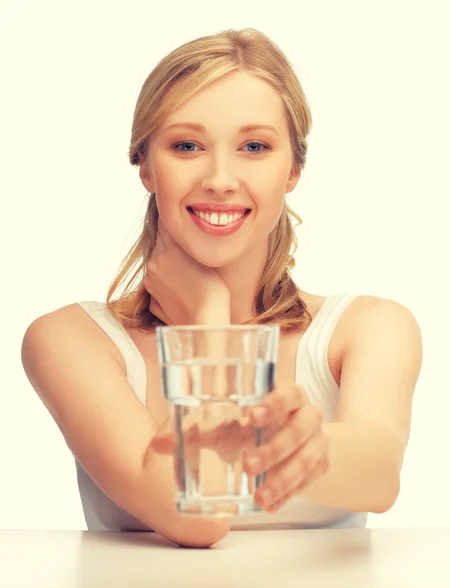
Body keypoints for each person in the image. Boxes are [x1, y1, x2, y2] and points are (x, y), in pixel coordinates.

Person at [21, 28, 423, 548]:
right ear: (144, 165)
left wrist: (310, 445)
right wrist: (210, 323)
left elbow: (380, 476)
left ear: (293, 169)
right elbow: (198, 519)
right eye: (186, 145)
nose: (220, 179)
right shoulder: (72, 341)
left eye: (254, 146)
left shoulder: (368, 327)